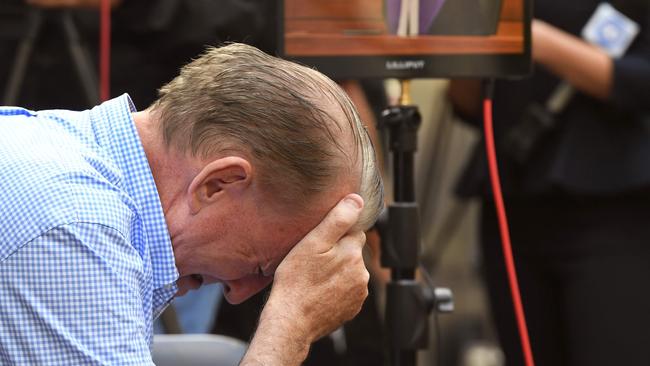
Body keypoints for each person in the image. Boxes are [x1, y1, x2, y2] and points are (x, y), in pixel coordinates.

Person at [0, 42, 384, 365]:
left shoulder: (59, 150)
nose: (241, 292)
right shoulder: (75, 227)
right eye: (263, 265)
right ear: (218, 184)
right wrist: (290, 326)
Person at [449, 1, 650, 365]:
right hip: (513, 200)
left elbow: (640, 82)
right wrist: (464, 42)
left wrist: (529, 38)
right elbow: (466, 104)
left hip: (612, 204)